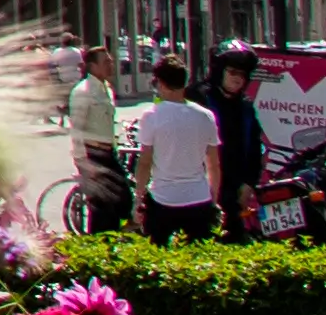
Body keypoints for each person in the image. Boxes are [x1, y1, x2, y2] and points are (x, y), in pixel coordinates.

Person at [130, 55, 224, 241]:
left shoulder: (151, 116)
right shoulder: (205, 116)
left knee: (159, 260)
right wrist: (213, 198)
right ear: (185, 82)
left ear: (161, 83)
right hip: (198, 197)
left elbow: (145, 162)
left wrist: (139, 198)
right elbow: (213, 164)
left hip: (162, 198)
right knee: (199, 260)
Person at [211, 43, 271, 243]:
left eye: (243, 74)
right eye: (233, 72)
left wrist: (248, 184)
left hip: (236, 191)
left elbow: (255, 148)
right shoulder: (200, 99)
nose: (238, 78)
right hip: (202, 188)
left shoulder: (245, 106)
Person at [65, 49, 128, 227]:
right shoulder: (82, 92)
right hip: (94, 155)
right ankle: (99, 246)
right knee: (101, 207)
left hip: (109, 153)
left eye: (111, 61)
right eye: (106, 62)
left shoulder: (106, 88)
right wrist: (82, 162)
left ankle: (113, 242)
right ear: (92, 66)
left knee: (121, 201)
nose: (111, 65)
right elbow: (76, 129)